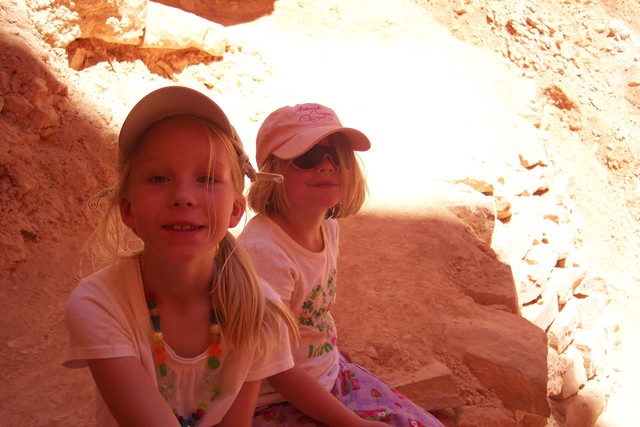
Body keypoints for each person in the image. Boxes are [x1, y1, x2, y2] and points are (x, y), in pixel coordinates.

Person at [63, 86, 298, 427]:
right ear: (128, 210)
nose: (183, 196)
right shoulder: (99, 304)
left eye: (206, 178)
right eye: (158, 178)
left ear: (235, 210)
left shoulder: (258, 310)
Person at [240, 103, 445, 426]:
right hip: (274, 401)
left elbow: (312, 317)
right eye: (307, 158)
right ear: (272, 172)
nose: (326, 167)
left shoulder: (328, 228)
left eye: (336, 156)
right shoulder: (265, 252)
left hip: (328, 375)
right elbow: (275, 369)